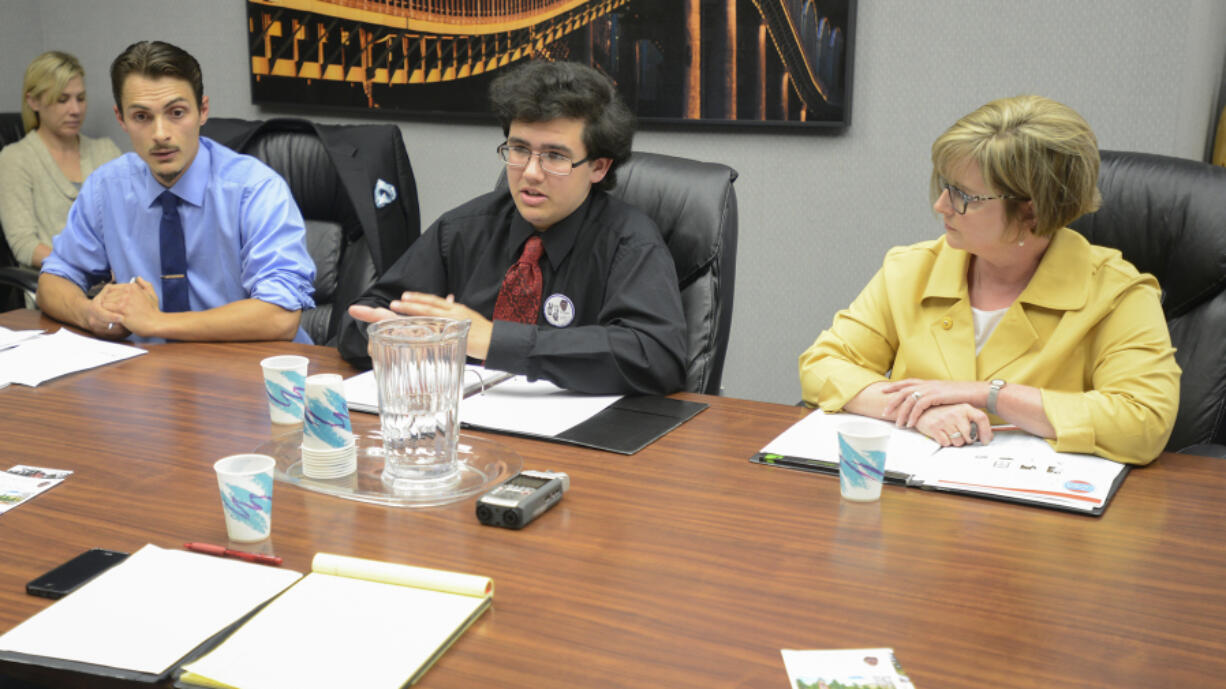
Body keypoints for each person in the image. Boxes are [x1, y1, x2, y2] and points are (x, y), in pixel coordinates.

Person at [799, 95, 1180, 465]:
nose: (942, 206)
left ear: (1031, 209)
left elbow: (1143, 422)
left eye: (964, 196)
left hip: (1036, 513)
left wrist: (989, 395)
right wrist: (919, 411)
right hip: (913, 505)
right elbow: (823, 364)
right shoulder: (912, 270)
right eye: (945, 186)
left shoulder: (1117, 293)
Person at [338, 60, 687, 395]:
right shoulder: (462, 230)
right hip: (465, 429)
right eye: (519, 150)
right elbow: (363, 319)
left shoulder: (630, 243)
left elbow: (655, 355)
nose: (531, 173)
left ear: (598, 167)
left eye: (555, 156)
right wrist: (394, 336)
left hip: (577, 442)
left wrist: (491, 340)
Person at [37, 41, 314, 343]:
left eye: (176, 113)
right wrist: (90, 313)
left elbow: (280, 314)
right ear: (121, 119)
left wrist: (156, 323)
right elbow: (53, 280)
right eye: (142, 117)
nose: (160, 134)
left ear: (202, 111)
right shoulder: (107, 188)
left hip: (250, 372)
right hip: (150, 376)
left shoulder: (255, 189)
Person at [0, 51, 122, 307]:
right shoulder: (15, 159)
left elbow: (133, 219)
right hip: (58, 288)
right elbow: (24, 245)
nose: (75, 109)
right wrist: (87, 266)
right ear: (33, 101)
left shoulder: (106, 151)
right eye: (62, 99)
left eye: (81, 98)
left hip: (117, 286)